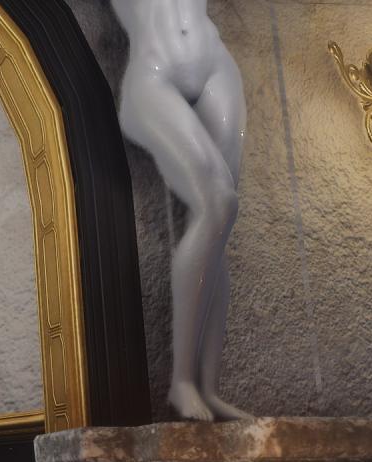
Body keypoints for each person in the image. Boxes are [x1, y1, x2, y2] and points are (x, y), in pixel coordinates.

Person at [112, 0, 251, 421]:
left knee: (217, 228)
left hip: (216, 65)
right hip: (154, 74)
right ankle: (182, 382)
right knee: (219, 204)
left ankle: (207, 387)